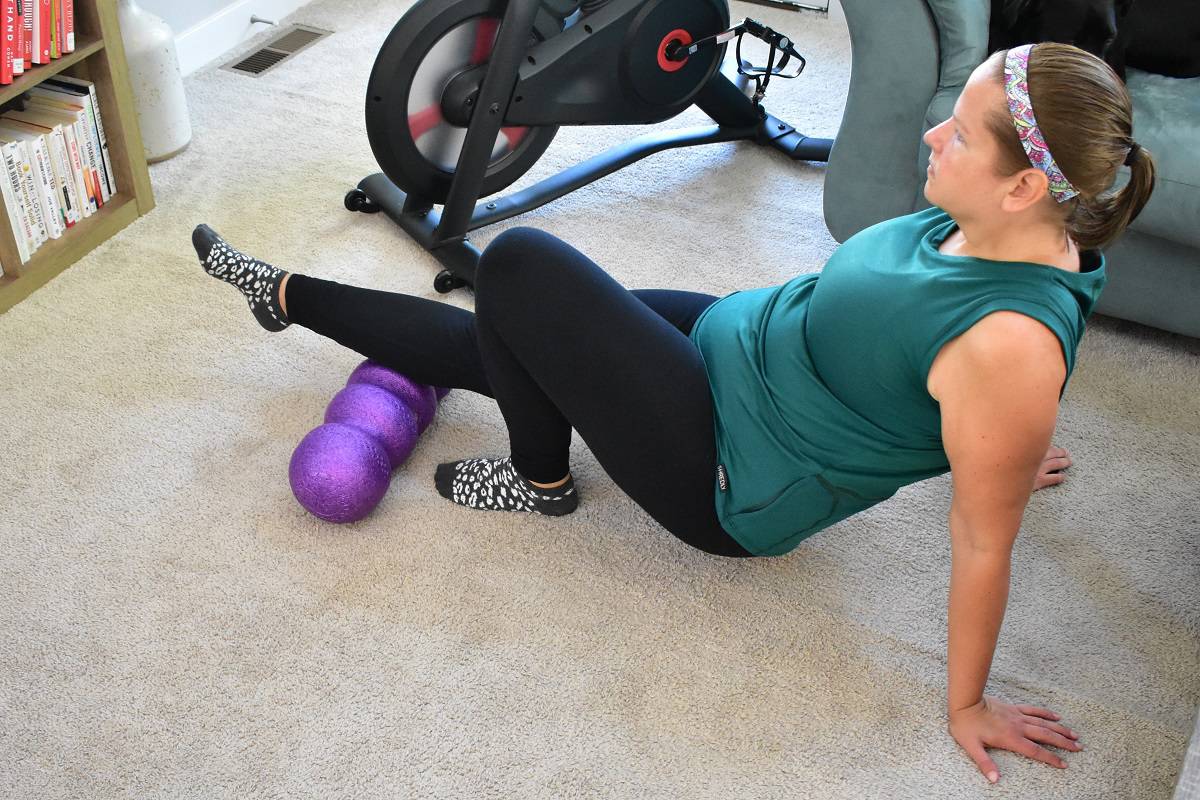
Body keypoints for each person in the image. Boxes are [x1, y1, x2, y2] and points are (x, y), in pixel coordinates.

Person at [193, 43, 1153, 783]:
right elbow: (919, 362)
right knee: (519, 331)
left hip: (735, 471)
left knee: (521, 268)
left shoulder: (1009, 353)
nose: (934, 133)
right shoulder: (992, 221)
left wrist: (968, 704)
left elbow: (985, 541)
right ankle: (286, 296)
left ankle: (541, 478)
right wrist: (993, 450)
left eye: (963, 129)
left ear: (1027, 186)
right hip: (741, 351)